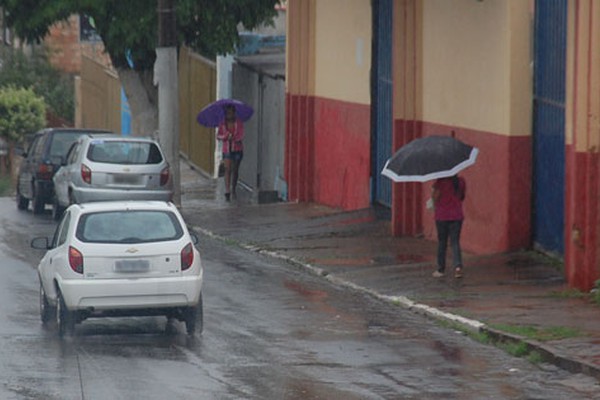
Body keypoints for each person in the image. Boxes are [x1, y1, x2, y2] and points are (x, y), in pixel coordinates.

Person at [431, 174, 466, 279]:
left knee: (442, 243)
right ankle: (458, 267)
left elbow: (435, 197)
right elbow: (462, 197)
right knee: (455, 242)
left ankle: (441, 269)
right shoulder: (461, 181)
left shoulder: (440, 182)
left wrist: (432, 195)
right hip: (457, 215)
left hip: (442, 216)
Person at [217, 105, 245, 201]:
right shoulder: (222, 124)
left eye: (230, 113)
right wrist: (225, 136)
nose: (229, 115)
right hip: (227, 150)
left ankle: (233, 187)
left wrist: (234, 137)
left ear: (234, 113)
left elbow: (241, 135)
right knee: (227, 169)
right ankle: (227, 190)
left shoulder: (239, 123)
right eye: (227, 113)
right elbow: (219, 136)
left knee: (235, 169)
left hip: (237, 149)